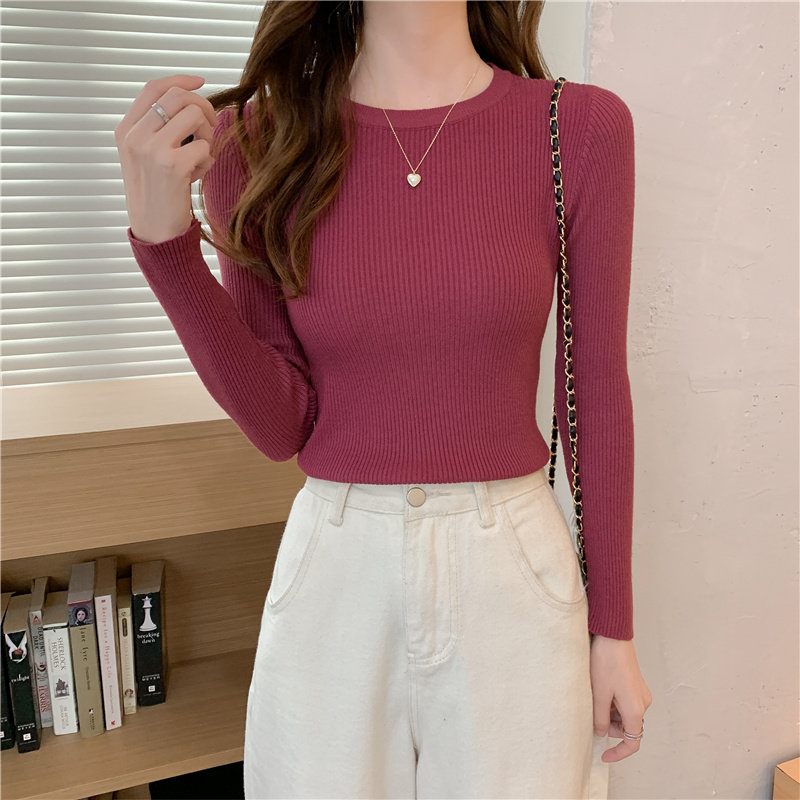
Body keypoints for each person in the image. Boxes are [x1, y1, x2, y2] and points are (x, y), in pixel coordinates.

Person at [115, 1, 652, 797]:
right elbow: (280, 426)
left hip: (513, 573)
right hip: (338, 567)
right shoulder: (256, 142)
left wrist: (614, 630)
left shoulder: (576, 129)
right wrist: (167, 250)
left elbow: (596, 389)